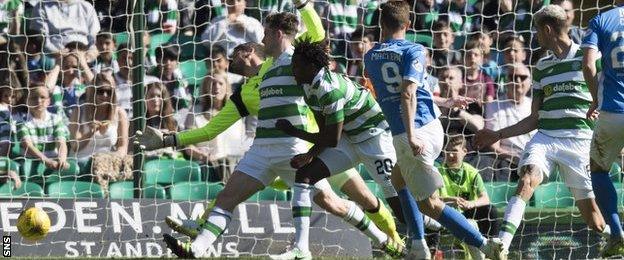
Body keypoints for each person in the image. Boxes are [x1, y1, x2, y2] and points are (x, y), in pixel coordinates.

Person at [137, 3, 403, 258]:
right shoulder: (256, 79)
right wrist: (169, 139)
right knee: (227, 196)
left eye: (265, 33)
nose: (262, 39)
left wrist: (302, 4)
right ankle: (196, 250)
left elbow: (318, 34)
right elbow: (211, 129)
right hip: (262, 150)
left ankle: (387, 240)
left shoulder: (296, 61)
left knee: (336, 202)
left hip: (301, 148)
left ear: (276, 35)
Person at [364, 1, 502, 258]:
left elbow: (406, 93)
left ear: (380, 24)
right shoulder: (415, 50)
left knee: (429, 204)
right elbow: (416, 90)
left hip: (413, 133)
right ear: (408, 24)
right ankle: (418, 245)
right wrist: (447, 102)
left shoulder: (370, 57)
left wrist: (411, 134)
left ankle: (483, 244)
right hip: (426, 127)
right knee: (398, 179)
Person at [474, 5, 610, 259]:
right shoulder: (542, 66)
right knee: (527, 179)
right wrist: (497, 134)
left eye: (537, 31)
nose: (536, 37)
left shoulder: (590, 57)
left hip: (579, 141)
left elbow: (609, 95)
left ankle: (616, 240)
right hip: (545, 138)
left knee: (594, 220)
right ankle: (501, 246)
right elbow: (535, 117)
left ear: (547, 30)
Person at [280, 38, 428, 258]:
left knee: (401, 209)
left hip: (373, 137)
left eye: (297, 66)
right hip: (349, 139)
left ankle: (439, 221)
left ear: (312, 67)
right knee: (305, 175)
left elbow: (330, 139)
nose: (293, 70)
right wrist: (309, 156)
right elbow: (325, 132)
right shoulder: (308, 87)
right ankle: (301, 250)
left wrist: (296, 134)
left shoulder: (329, 89)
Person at [582, 1, 624, 257]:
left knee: (598, 170)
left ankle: (617, 232)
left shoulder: (600, 20)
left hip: (612, 111)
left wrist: (595, 98)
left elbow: (588, 65)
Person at [438, 135, 499, 259]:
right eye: (447, 151)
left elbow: (485, 199)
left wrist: (471, 204)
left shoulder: (472, 172)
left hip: (466, 212)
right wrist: (450, 200)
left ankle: (493, 245)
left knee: (490, 210)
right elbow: (432, 199)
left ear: (464, 152)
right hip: (446, 215)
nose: (449, 155)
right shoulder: (438, 172)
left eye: (454, 151)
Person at [68, 73, 129, 169]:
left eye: (109, 92)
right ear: (93, 91)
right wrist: (91, 132)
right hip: (79, 163)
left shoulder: (120, 113)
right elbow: (75, 146)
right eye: (100, 91)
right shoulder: (79, 111)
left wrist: (109, 159)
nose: (105, 95)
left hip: (106, 163)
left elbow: (123, 147)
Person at [18, 85, 69, 171]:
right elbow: (27, 145)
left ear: (48, 101)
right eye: (34, 98)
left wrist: (62, 158)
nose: (38, 101)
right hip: (29, 165)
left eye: (43, 97)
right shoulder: (21, 121)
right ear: (27, 101)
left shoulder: (56, 119)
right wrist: (46, 161)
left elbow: (61, 142)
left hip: (54, 163)